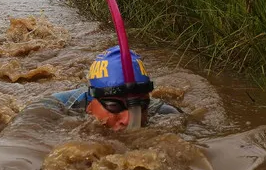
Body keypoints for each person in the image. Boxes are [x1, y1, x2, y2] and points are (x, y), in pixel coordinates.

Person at [47, 46, 180, 130]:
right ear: (91, 105)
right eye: (114, 106)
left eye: (139, 105)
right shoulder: (55, 105)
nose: (128, 120)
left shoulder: (167, 113)